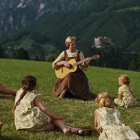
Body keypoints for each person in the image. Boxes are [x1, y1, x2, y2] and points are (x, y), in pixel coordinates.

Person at [13, 76, 92, 136]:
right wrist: (56, 116)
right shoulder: (33, 95)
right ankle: (68, 129)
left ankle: (76, 130)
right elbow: (43, 109)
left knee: (51, 126)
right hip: (31, 123)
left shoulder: (19, 92)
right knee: (51, 117)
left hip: (21, 124)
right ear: (34, 86)